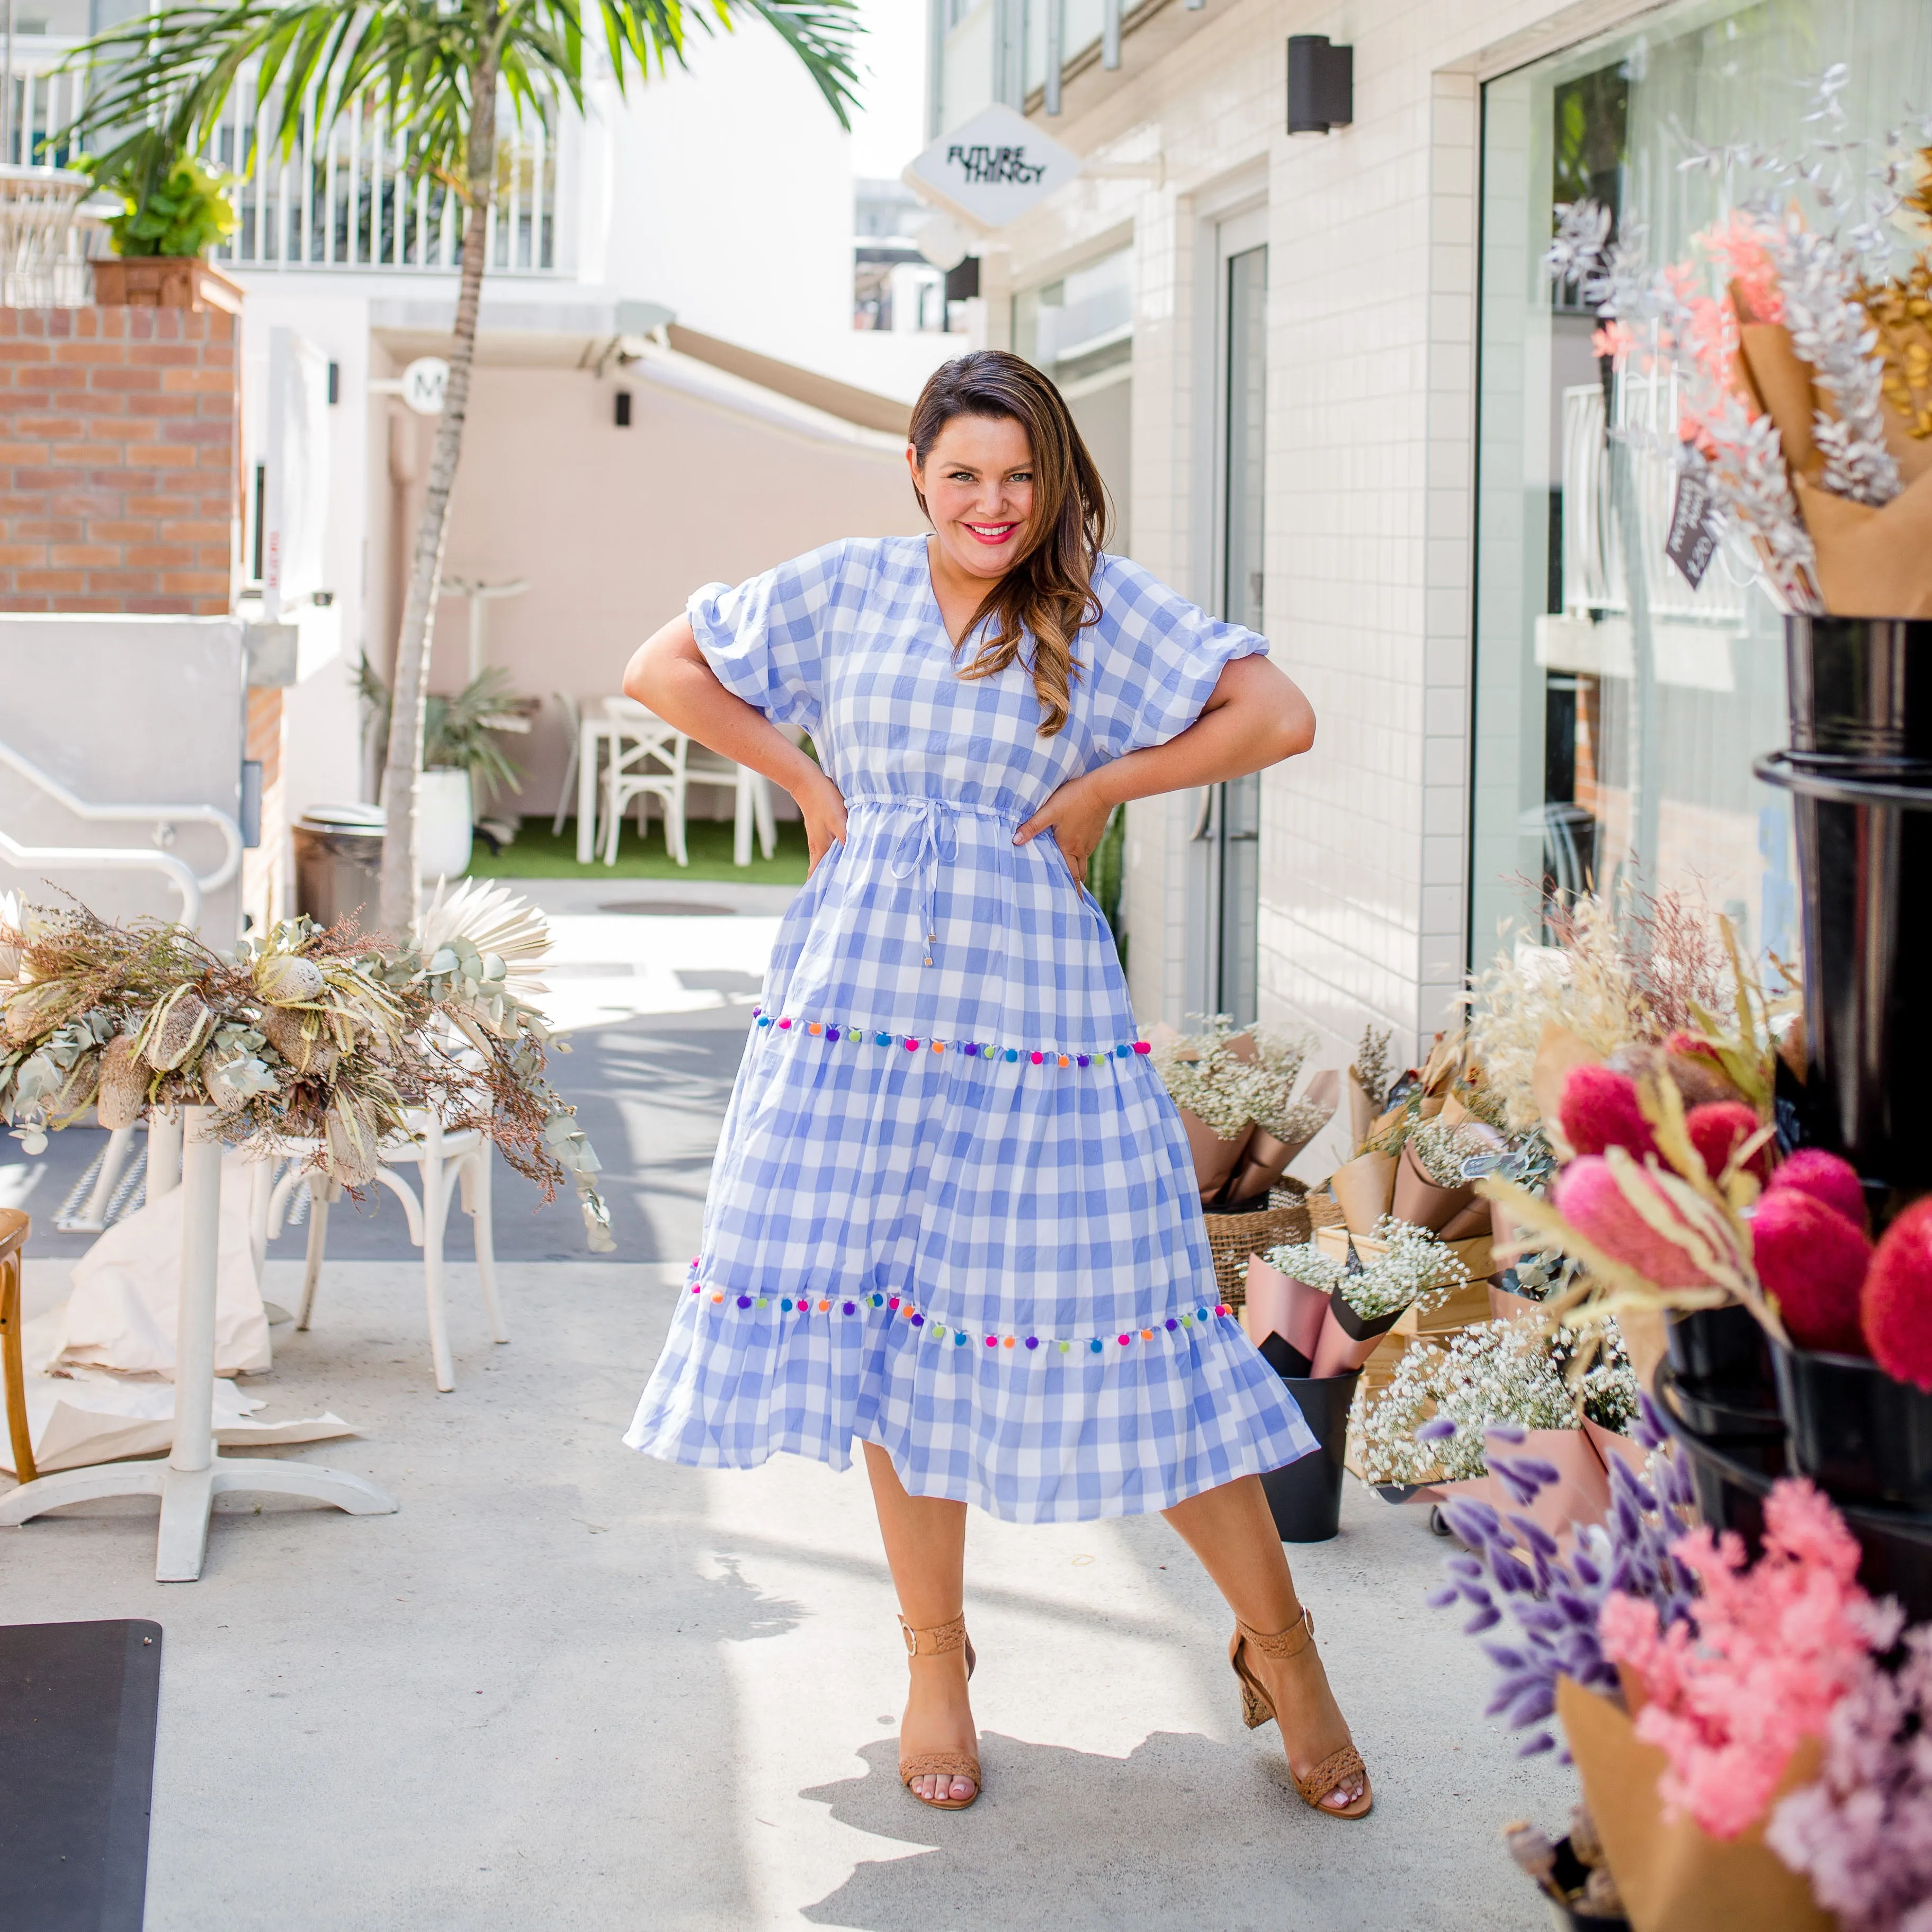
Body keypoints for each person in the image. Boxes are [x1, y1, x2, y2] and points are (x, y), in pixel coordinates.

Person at [622, 350, 1368, 1819]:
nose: (992, 503)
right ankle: (937, 1663)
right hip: (857, 1016)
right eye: (963, 473)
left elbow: (1279, 717)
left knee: (1143, 1331)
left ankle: (1288, 1656)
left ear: (1053, 484)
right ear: (917, 471)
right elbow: (664, 669)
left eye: (1020, 478)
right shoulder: (842, 587)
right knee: (900, 1334)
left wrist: (1100, 789)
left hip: (1034, 1022)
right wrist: (809, 783)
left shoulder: (1093, 603)